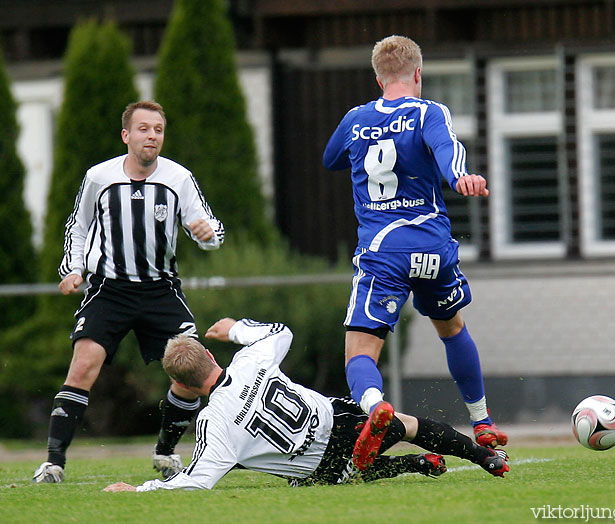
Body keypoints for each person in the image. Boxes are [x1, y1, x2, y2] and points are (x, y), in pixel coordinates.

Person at [322, 35, 507, 469]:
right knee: (452, 328)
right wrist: (461, 178)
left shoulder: (355, 119)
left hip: (384, 250)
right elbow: (447, 150)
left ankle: (375, 410)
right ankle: (482, 421)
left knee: (361, 352)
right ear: (418, 75)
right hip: (432, 247)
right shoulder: (430, 111)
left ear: (377, 77)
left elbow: (332, 159)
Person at [32, 101, 225, 484]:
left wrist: (208, 235)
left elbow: (210, 229)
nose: (151, 136)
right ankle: (53, 463)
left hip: (160, 289)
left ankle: (167, 452)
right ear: (126, 135)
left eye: (158, 129)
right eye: (143, 129)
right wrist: (73, 269)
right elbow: (79, 228)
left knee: (191, 371)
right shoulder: (99, 178)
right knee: (83, 366)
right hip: (109, 289)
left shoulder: (179, 178)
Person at [103, 317, 508, 492]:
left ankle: (394, 461)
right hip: (341, 421)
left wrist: (140, 488)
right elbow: (281, 332)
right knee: (410, 425)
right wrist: (236, 329)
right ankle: (482, 456)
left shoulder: (213, 423)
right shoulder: (250, 358)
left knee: (322, 478)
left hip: (320, 467)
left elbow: (197, 479)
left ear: (180, 385)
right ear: (210, 356)